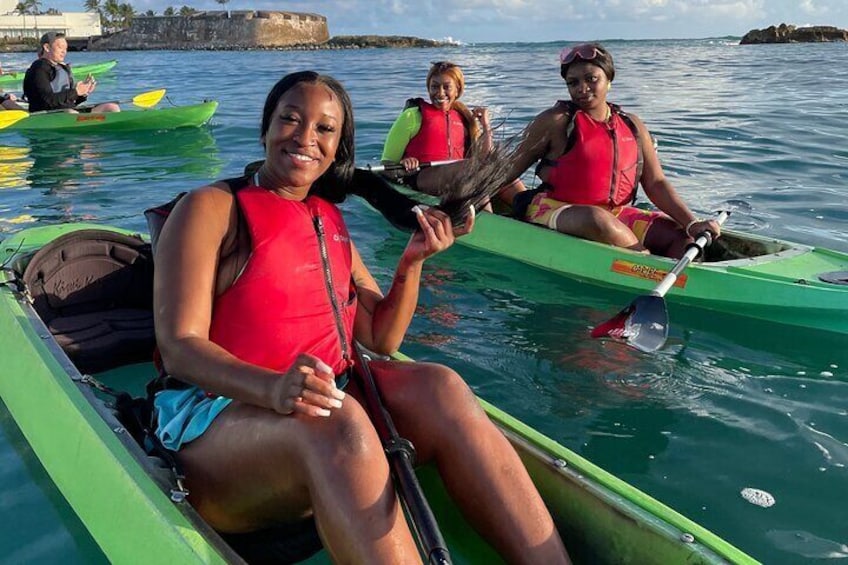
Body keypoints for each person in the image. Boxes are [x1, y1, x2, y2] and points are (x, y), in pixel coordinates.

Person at [152, 70, 570, 564]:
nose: (305, 137)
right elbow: (179, 347)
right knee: (335, 419)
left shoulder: (328, 220)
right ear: (265, 129)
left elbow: (381, 336)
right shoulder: (211, 209)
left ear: (338, 147)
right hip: (217, 420)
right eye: (290, 119)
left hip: (323, 405)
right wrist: (272, 389)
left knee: (441, 385)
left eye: (325, 129)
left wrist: (412, 263)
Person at [506, 43, 720, 258]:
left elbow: (655, 182)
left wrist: (692, 223)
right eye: (573, 83)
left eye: (591, 79)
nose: (582, 88)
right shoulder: (555, 121)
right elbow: (506, 171)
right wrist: (476, 202)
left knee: (681, 238)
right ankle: (644, 262)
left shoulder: (632, 125)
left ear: (609, 80)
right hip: (554, 209)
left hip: (614, 215)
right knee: (597, 219)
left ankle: (678, 274)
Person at [381, 60, 525, 209]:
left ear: (457, 89)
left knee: (501, 169)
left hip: (463, 176)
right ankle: (487, 218)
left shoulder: (465, 118)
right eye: (434, 87)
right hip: (421, 178)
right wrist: (404, 163)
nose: (440, 93)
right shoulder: (412, 116)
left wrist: (486, 127)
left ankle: (531, 212)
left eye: (446, 87)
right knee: (471, 167)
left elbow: (485, 158)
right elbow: (387, 164)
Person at [23, 32, 120, 114]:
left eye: (66, 49)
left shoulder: (62, 68)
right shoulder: (39, 69)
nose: (64, 52)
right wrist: (76, 91)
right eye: (60, 47)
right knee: (70, 113)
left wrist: (83, 93)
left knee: (111, 107)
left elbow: (69, 101)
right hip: (46, 115)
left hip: (68, 112)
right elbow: (47, 101)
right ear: (47, 47)